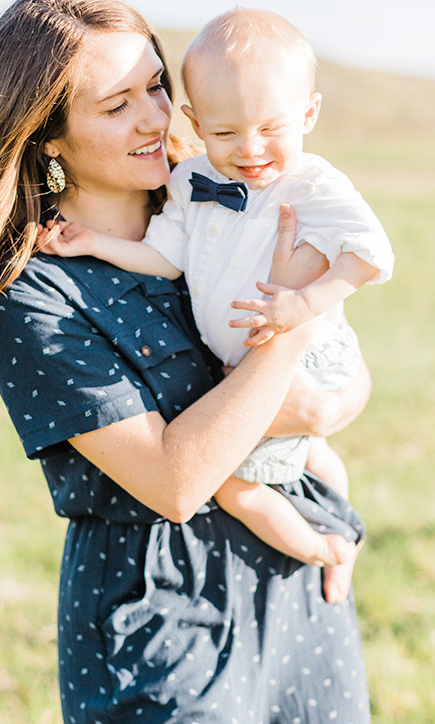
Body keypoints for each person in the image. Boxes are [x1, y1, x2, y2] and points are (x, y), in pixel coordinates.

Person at [0, 0, 372, 724]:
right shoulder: (33, 290)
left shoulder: (223, 202)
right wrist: (287, 335)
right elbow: (174, 481)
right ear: (47, 133)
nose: (153, 118)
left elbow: (341, 384)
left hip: (300, 578)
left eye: (156, 87)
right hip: (158, 609)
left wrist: (324, 404)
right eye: (117, 105)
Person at [37, 8, 394, 606]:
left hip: (308, 351)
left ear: (308, 114)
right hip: (261, 356)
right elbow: (165, 257)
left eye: (269, 129)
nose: (251, 150)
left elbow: (371, 255)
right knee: (308, 451)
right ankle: (335, 524)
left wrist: (302, 304)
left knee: (233, 485)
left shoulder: (312, 186)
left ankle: (329, 550)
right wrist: (95, 244)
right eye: (226, 134)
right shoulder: (191, 182)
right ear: (197, 123)